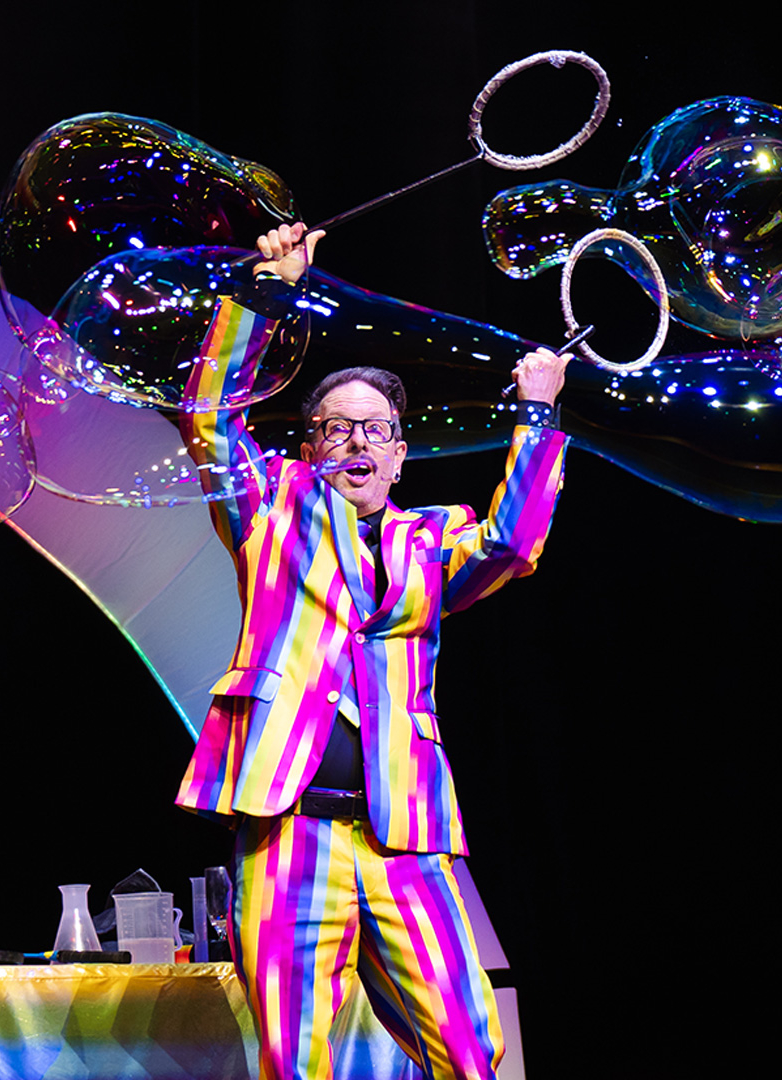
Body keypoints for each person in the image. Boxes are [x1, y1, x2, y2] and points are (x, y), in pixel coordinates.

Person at [176, 223, 569, 1080]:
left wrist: (537, 414)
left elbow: (514, 544)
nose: (356, 443)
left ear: (399, 455)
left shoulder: (434, 540)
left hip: (406, 834)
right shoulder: (269, 512)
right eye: (336, 428)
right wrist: (264, 293)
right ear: (310, 447)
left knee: (469, 1047)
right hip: (289, 833)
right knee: (295, 1057)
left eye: (375, 430)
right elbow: (207, 418)